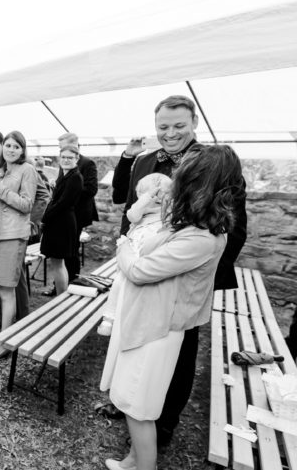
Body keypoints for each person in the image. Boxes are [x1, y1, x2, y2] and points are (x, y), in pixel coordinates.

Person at [111, 95, 248, 446]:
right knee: (135, 340)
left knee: (179, 352)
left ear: (194, 123)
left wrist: (197, 275)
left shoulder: (214, 164)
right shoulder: (143, 161)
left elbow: (234, 230)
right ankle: (130, 403)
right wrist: (130, 247)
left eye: (178, 126)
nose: (170, 134)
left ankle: (164, 423)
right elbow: (131, 208)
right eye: (163, 127)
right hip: (147, 264)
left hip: (184, 281)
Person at [0, 131, 37, 361]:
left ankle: (4, 343)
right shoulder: (1, 169)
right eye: (9, 146)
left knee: (7, 289)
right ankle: (5, 335)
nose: (11, 150)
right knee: (1, 288)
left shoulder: (27, 170)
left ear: (23, 150)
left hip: (13, 236)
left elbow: (26, 204)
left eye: (16, 146)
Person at [98, 172, 172, 338]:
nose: (158, 199)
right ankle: (109, 317)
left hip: (148, 257)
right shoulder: (139, 215)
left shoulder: (166, 214)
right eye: (143, 195)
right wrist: (147, 197)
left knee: (138, 290)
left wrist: (162, 197)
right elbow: (132, 213)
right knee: (118, 283)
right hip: (131, 254)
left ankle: (132, 320)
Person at [40, 145, 83, 297]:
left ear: (76, 159)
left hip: (62, 224)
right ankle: (61, 296)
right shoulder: (65, 175)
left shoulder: (75, 177)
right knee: (58, 263)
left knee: (58, 264)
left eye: (70, 157)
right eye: (63, 157)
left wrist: (44, 218)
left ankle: (60, 298)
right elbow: (58, 199)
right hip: (58, 222)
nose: (66, 160)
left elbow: (63, 203)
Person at [57, 133, 98, 281]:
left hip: (78, 214)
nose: (62, 152)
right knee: (63, 251)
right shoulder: (63, 162)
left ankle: (72, 282)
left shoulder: (88, 163)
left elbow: (92, 189)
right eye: (60, 149)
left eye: (63, 147)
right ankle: (61, 284)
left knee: (71, 251)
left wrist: (70, 191)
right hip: (64, 213)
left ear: (74, 146)